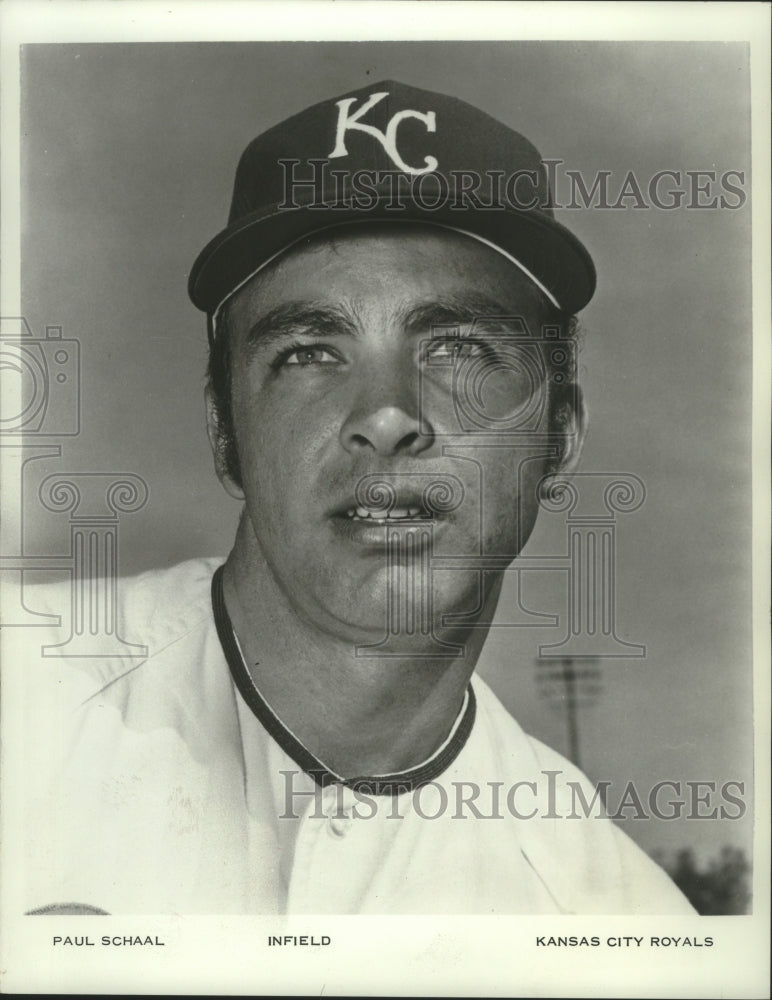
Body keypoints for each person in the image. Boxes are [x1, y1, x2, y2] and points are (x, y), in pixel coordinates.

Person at [19, 80, 693, 914]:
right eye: (308, 353)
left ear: (559, 434)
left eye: (459, 347)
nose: (385, 416)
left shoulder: (613, 916)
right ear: (224, 432)